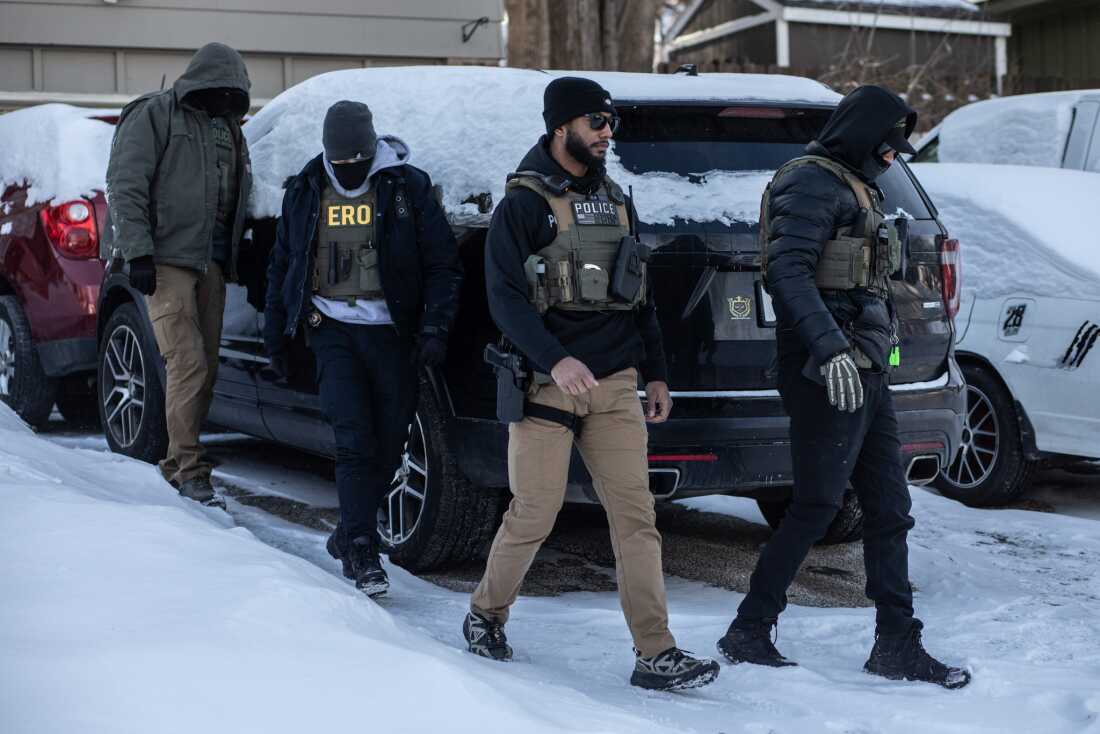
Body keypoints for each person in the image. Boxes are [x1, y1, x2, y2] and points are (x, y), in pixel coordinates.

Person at [464, 76, 719, 692]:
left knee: (636, 518)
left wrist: (656, 372)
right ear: (561, 127)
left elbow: (639, 295)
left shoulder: (616, 200)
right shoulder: (524, 204)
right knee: (535, 512)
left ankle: (654, 653)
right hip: (547, 386)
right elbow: (504, 299)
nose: (608, 133)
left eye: (611, 123)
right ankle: (485, 615)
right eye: (596, 122)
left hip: (615, 383)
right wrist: (555, 360)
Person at [716, 85, 971, 689]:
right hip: (825, 369)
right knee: (816, 505)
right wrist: (829, 348)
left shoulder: (855, 182)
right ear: (861, 135)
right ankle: (749, 629)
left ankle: (896, 644)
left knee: (889, 508)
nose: (891, 159)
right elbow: (787, 271)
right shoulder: (810, 181)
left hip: (866, 365)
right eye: (887, 148)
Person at [264, 100, 462, 597]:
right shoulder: (308, 187)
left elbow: (443, 263)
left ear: (372, 149)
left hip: (392, 333)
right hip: (331, 329)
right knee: (352, 439)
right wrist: (276, 333)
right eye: (340, 162)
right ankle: (361, 550)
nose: (348, 170)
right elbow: (283, 262)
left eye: (356, 161)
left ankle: (348, 530)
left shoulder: (406, 186)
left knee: (390, 444)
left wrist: (434, 328)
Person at [105, 42, 253, 507]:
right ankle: (188, 470)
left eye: (234, 93)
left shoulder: (230, 128)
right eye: (221, 89)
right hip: (164, 260)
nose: (227, 98)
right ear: (202, 82)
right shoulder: (155, 113)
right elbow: (125, 183)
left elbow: (235, 193)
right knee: (187, 361)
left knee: (205, 366)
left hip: (211, 263)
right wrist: (138, 253)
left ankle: (180, 457)